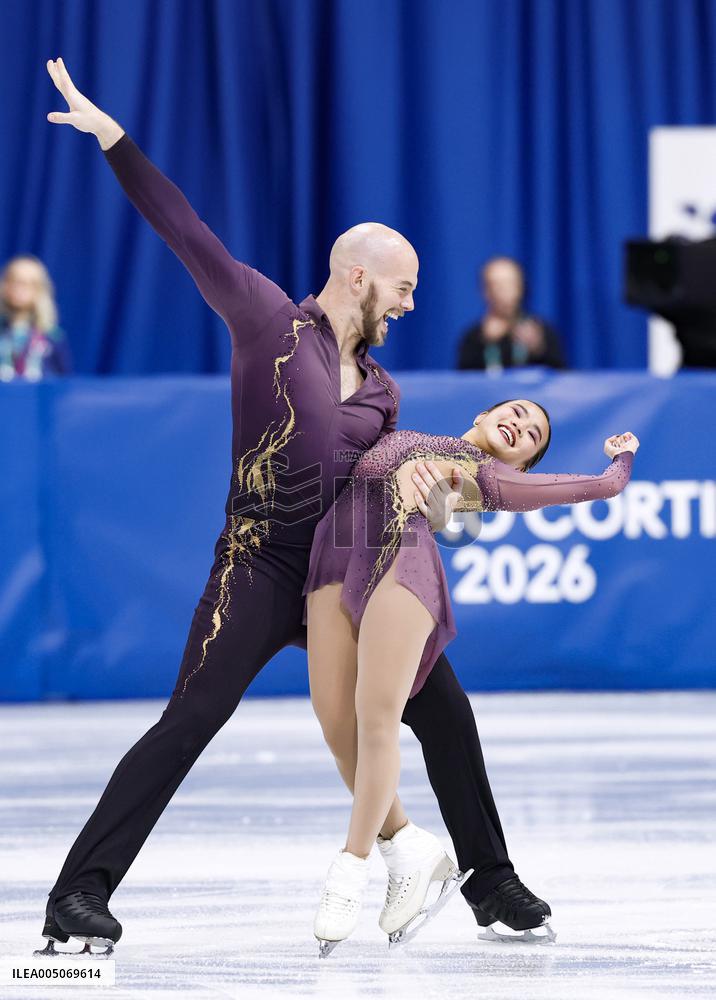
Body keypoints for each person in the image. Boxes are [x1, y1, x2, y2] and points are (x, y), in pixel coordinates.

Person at [39, 57, 547, 958]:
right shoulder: (268, 319)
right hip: (258, 566)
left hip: (344, 573)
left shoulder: (384, 392)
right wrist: (114, 139)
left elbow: (387, 484)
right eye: (404, 287)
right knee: (190, 719)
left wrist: (446, 496)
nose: (412, 303)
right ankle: (79, 894)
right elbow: (184, 228)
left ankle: (490, 880)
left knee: (444, 709)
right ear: (358, 276)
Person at [306, 405, 638, 952]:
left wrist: (621, 457)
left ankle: (478, 877)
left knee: (436, 722)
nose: (521, 426)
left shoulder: (485, 476)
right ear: (485, 413)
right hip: (330, 572)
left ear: (521, 464)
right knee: (412, 720)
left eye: (532, 436)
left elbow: (580, 488)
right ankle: (426, 856)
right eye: (518, 413)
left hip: (396, 581)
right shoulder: (403, 431)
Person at [457, 257, 565, 371]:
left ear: (521, 287)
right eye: (495, 285)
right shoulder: (473, 337)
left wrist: (538, 350)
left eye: (509, 284)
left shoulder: (542, 332)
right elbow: (465, 378)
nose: (502, 292)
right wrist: (484, 342)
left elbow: (560, 375)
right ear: (485, 291)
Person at [0, 254, 71, 381]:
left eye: (28, 283)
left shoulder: (53, 336)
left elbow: (63, 380)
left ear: (39, 289)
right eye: (14, 281)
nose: (20, 288)